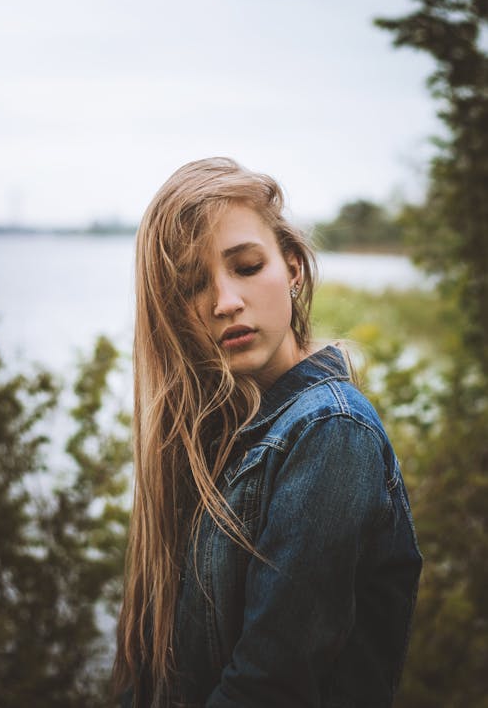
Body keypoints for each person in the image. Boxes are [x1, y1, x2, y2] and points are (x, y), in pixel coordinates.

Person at [113, 157, 422, 708]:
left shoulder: (330, 431)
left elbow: (269, 687)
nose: (224, 301)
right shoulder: (219, 436)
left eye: (248, 267)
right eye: (192, 284)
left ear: (294, 267)